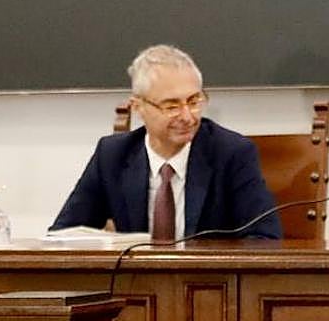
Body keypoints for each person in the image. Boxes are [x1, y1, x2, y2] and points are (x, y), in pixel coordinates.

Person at [50, 44, 281, 240]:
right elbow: (63, 236)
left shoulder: (231, 153)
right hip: (135, 288)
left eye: (193, 101)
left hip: (208, 288)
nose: (187, 116)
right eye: (171, 106)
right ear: (138, 107)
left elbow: (265, 239)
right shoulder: (112, 156)